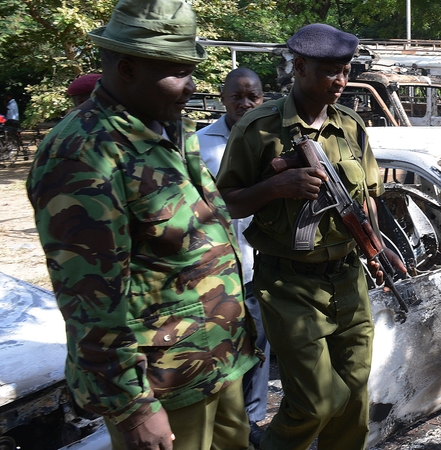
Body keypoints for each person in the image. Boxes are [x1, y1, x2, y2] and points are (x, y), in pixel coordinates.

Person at [25, 0, 259, 449]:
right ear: (127, 68)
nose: (191, 87)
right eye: (177, 72)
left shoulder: (168, 129)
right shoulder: (83, 155)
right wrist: (132, 407)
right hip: (164, 384)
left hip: (218, 361)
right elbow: (91, 301)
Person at [215, 23, 406, 450]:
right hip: (288, 284)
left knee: (354, 400)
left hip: (348, 280)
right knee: (318, 401)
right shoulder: (258, 128)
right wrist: (275, 187)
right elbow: (225, 202)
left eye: (346, 70)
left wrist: (378, 247)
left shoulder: (352, 126)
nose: (340, 81)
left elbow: (368, 199)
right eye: (329, 71)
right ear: (299, 67)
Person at [196, 67, 269, 448]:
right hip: (218, 271)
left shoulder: (272, 138)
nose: (244, 104)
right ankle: (226, 424)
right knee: (222, 348)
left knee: (258, 347)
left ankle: (253, 418)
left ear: (262, 97)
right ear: (223, 98)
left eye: (252, 97)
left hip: (262, 264)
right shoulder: (199, 144)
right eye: (236, 96)